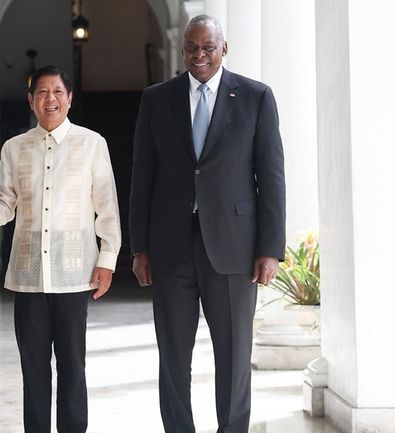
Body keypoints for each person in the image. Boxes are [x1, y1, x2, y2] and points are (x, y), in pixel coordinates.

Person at [129, 15, 286, 433]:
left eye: (208, 47)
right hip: (169, 247)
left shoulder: (255, 97)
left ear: (224, 48)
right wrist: (139, 247)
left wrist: (270, 249)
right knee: (173, 357)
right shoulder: (157, 98)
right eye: (192, 48)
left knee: (234, 357)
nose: (200, 56)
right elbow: (142, 176)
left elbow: (271, 177)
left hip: (235, 248)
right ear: (182, 50)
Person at [0, 65, 121, 433]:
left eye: (58, 92)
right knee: (33, 369)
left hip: (74, 276)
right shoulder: (14, 148)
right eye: (42, 93)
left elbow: (107, 206)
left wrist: (107, 260)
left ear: (70, 99)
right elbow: (2, 202)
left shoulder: (92, 143)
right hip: (27, 277)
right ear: (31, 101)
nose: (51, 99)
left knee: (72, 367)